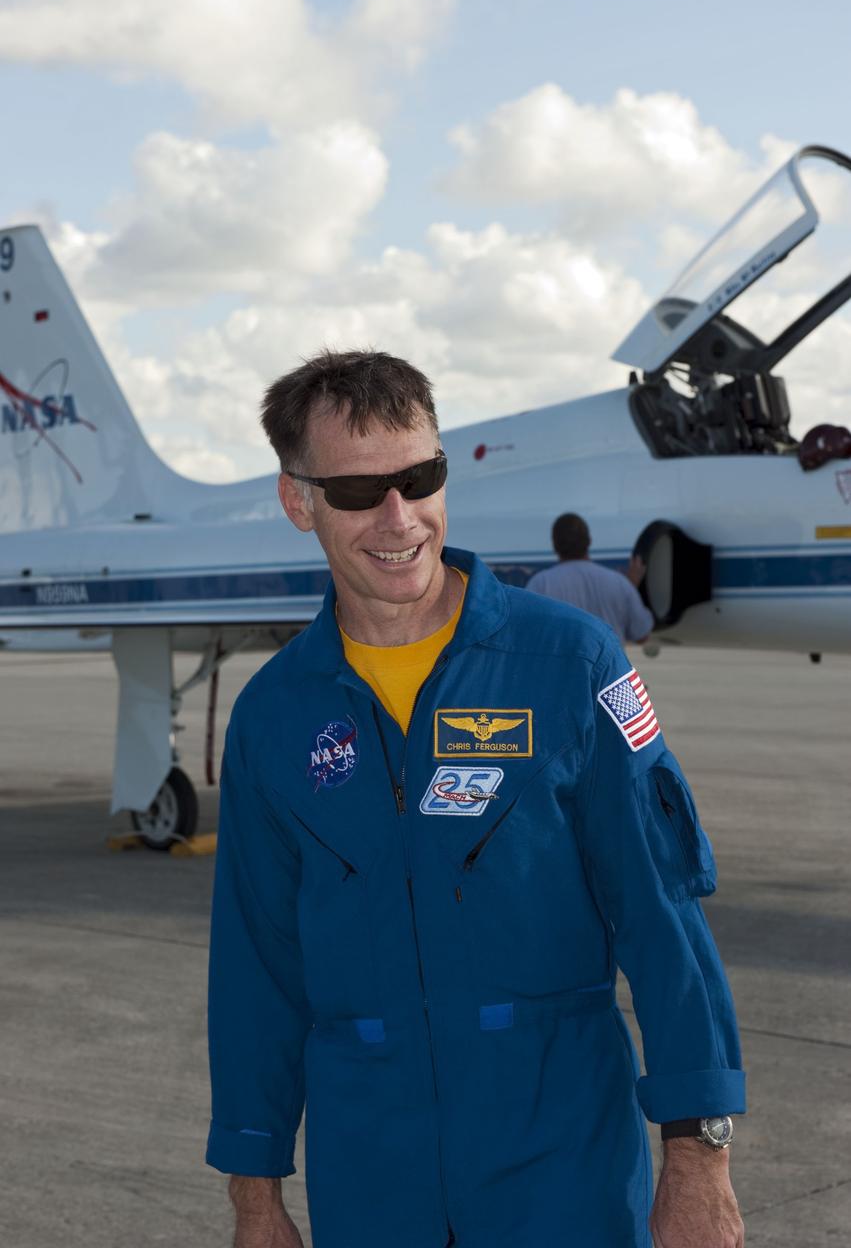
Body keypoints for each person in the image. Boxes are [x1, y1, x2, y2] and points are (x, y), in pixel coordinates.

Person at [205, 350, 746, 1248]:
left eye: (420, 479)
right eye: (358, 491)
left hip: (560, 1173)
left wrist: (699, 1155)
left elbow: (662, 918)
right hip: (370, 1182)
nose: (399, 518)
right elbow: (255, 971)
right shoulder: (273, 716)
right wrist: (254, 1196)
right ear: (298, 501)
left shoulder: (568, 664)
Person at [525, 512, 655, 645]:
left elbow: (526, 634)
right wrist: (631, 587)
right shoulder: (620, 584)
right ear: (589, 541)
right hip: (609, 659)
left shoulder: (540, 585)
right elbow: (642, 635)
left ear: (554, 545)